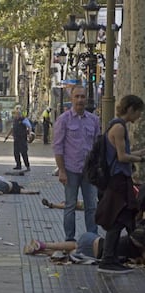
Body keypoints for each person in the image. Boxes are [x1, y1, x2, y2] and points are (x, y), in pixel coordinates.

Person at [95, 95, 145, 274]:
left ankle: (111, 257)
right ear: (130, 109)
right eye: (138, 111)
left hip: (120, 178)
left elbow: (122, 153)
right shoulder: (119, 127)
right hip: (118, 180)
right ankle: (108, 258)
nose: (139, 116)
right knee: (118, 219)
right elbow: (122, 157)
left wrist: (138, 152)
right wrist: (140, 158)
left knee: (122, 217)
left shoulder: (117, 125)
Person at [53, 85, 100, 242]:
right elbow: (58, 146)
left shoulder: (94, 120)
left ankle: (92, 238)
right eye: (77, 96)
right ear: (71, 99)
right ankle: (69, 239)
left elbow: (97, 146)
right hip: (71, 170)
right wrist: (61, 170)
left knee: (91, 206)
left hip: (88, 171)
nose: (80, 99)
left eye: (82, 96)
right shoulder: (63, 120)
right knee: (70, 205)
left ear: (86, 99)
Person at [23, 225, 145, 267]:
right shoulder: (140, 248)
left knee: (74, 245)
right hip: (95, 253)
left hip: (95, 240)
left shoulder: (135, 237)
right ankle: (40, 251)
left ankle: (42, 246)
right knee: (68, 253)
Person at [5, 105, 32, 171]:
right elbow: (12, 128)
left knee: (24, 152)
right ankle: (18, 165)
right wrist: (7, 136)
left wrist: (30, 134)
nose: (16, 115)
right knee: (16, 152)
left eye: (17, 113)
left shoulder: (23, 119)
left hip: (22, 139)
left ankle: (27, 166)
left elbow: (29, 126)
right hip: (16, 138)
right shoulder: (15, 120)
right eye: (15, 113)